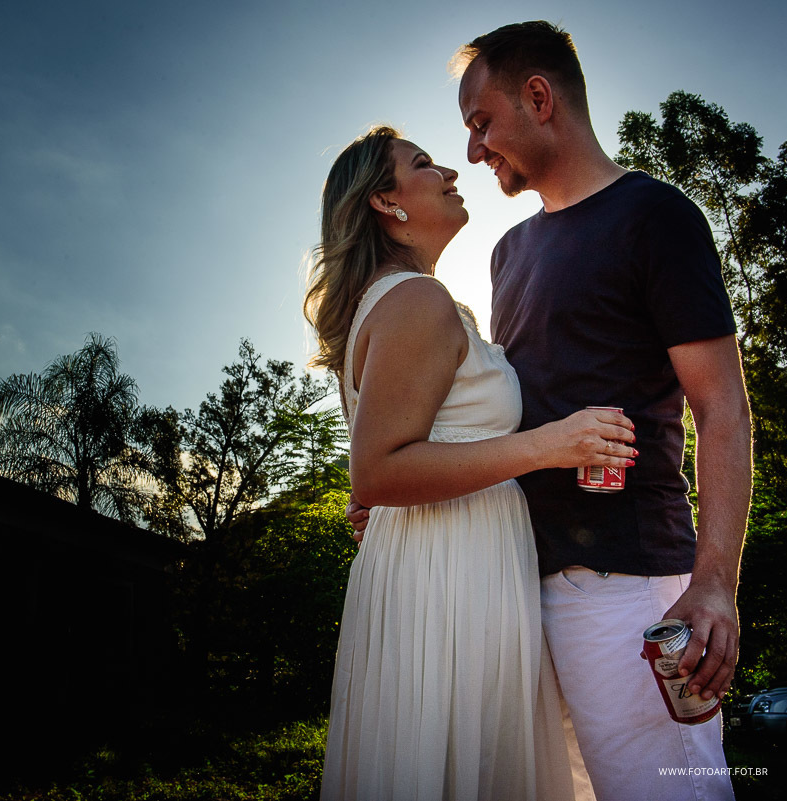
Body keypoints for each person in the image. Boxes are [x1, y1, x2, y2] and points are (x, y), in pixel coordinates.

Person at [352, 21, 752, 800]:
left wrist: (714, 585)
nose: (472, 152)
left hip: (628, 588)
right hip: (509, 590)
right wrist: (396, 494)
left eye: (481, 123)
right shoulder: (508, 254)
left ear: (539, 97)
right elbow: (501, 418)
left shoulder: (656, 215)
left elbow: (725, 410)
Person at [305, 125, 636, 801]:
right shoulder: (414, 300)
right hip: (450, 576)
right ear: (385, 202)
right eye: (422, 164)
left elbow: (389, 463)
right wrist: (551, 445)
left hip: (444, 559)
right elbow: (377, 473)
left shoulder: (406, 300)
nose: (450, 170)